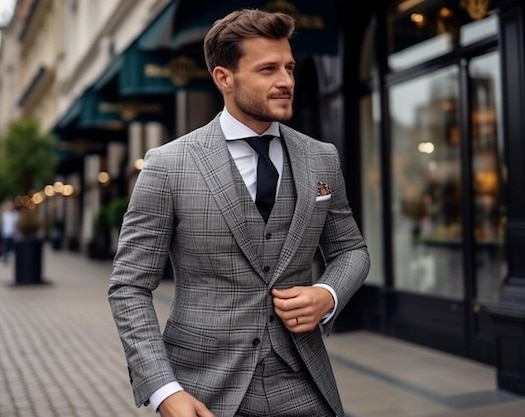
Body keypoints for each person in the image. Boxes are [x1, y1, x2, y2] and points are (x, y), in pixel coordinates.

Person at [108, 8, 370, 417]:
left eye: (289, 67)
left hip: (305, 383)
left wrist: (327, 293)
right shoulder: (167, 165)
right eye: (267, 69)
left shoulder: (321, 157)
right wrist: (163, 389)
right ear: (224, 78)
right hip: (202, 390)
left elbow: (351, 250)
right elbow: (129, 286)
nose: (286, 81)